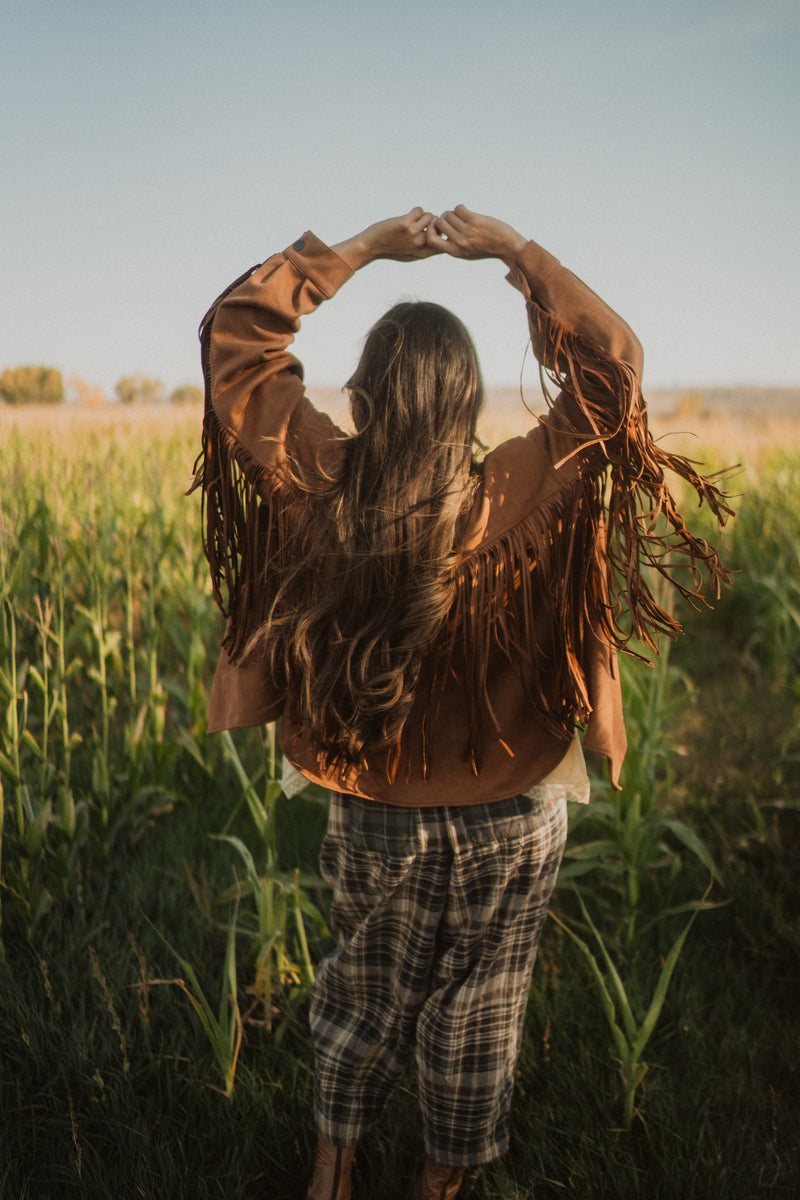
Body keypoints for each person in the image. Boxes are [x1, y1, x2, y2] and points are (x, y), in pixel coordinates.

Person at [192, 207, 731, 1200]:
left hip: (371, 813)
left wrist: (358, 252)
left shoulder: (318, 480)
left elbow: (235, 342)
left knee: (359, 996)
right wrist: (511, 255)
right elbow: (614, 369)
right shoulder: (529, 484)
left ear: (361, 395)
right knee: (479, 1010)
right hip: (513, 818)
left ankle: (331, 1176)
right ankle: (438, 1190)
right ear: (471, 400)